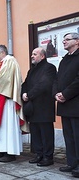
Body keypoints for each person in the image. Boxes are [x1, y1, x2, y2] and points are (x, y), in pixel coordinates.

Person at [0, 45, 27, 162]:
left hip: (7, 100)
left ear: (2, 52)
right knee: (2, 127)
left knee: (8, 126)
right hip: (1, 100)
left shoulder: (9, 61)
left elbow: (3, 80)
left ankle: (11, 153)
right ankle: (2, 149)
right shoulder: (3, 63)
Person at [21, 47, 56, 166]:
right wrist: (23, 94)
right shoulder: (32, 70)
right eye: (32, 54)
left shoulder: (50, 68)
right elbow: (25, 84)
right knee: (35, 132)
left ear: (42, 56)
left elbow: (44, 84)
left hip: (44, 107)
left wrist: (29, 95)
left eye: (35, 54)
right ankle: (38, 154)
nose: (32, 56)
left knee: (46, 134)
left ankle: (48, 157)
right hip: (32, 107)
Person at [52, 32, 79, 177]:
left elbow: (78, 80)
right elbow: (57, 79)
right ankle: (72, 163)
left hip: (75, 103)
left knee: (77, 136)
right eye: (63, 40)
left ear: (77, 41)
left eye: (67, 39)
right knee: (68, 136)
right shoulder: (64, 60)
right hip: (64, 104)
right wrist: (56, 93)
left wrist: (66, 94)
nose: (63, 42)